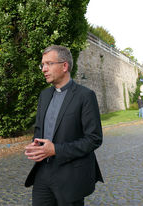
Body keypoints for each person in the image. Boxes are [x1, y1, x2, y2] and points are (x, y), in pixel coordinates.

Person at [24, 45, 103, 206]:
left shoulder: (85, 96)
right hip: (42, 174)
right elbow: (40, 129)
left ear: (64, 66)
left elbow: (94, 139)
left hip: (71, 176)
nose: (44, 69)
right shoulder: (44, 95)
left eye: (48, 64)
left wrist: (56, 150)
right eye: (42, 65)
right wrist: (36, 144)